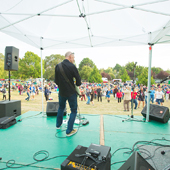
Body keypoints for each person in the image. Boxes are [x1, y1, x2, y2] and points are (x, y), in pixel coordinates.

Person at [55, 51, 81, 137]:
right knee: (73, 110)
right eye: (73, 58)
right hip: (71, 93)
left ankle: (58, 125)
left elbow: (56, 81)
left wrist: (62, 86)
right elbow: (78, 81)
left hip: (62, 92)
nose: (73, 59)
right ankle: (69, 130)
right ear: (70, 57)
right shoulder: (72, 66)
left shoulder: (57, 66)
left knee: (61, 108)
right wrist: (75, 84)